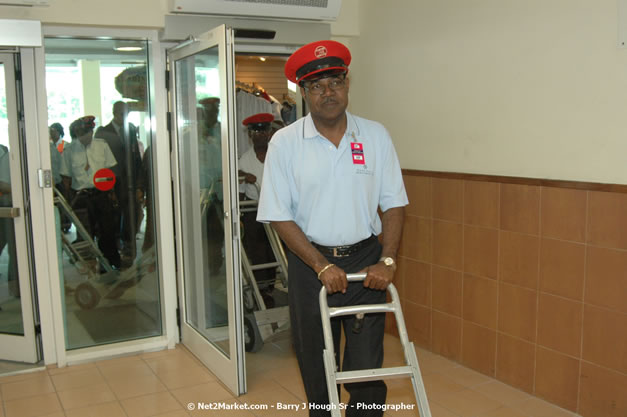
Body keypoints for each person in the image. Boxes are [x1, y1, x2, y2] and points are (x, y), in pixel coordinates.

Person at [257, 40, 408, 416]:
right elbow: (279, 215)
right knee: (317, 360)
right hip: (312, 265)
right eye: (317, 86)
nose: (329, 93)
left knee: (367, 367)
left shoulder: (375, 136)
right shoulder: (285, 143)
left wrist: (387, 260)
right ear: (304, 92)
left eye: (336, 82)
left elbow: (393, 203)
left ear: (347, 84)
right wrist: (320, 265)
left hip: (365, 263)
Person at [60, 116, 121, 269]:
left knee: (107, 230)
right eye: (82, 133)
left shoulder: (102, 146)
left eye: (88, 132)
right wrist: (68, 201)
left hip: (101, 194)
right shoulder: (69, 150)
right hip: (81, 196)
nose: (86, 136)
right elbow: (66, 178)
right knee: (86, 234)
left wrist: (112, 193)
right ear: (76, 133)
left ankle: (111, 262)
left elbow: (109, 171)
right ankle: (90, 265)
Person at [94, 101, 144, 262]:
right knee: (113, 217)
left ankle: (129, 245)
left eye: (126, 114)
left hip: (130, 181)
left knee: (131, 214)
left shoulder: (130, 129)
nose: (124, 117)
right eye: (121, 114)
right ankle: (113, 251)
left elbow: (136, 157)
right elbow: (99, 161)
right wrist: (105, 187)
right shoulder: (102, 133)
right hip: (112, 182)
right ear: (114, 112)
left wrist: (138, 182)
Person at [238, 112, 277, 307]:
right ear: (249, 135)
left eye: (263, 131)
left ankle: (273, 285)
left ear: (269, 133)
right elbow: (240, 192)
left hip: (278, 211)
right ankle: (263, 290)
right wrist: (240, 218)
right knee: (259, 251)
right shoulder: (244, 160)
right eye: (255, 132)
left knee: (276, 251)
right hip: (254, 211)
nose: (259, 135)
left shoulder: (279, 153)